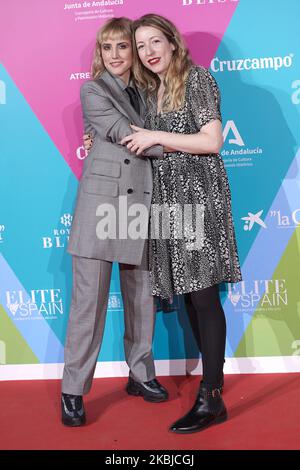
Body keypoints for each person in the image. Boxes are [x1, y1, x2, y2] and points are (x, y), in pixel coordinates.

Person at [119, 14, 242, 434]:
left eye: (156, 41)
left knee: (204, 297)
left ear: (173, 42)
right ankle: (210, 390)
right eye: (141, 46)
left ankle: (212, 397)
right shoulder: (147, 92)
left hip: (199, 197)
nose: (149, 51)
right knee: (190, 297)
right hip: (167, 203)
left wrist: (156, 137)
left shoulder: (196, 79)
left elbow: (212, 141)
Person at [61, 17, 168, 428]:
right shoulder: (92, 90)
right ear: (100, 54)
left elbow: (158, 129)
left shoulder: (152, 90)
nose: (117, 55)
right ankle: (73, 390)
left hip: (140, 204)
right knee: (88, 305)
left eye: (124, 47)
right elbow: (129, 135)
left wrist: (167, 135)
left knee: (141, 298)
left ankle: (141, 375)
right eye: (108, 48)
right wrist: (180, 144)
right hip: (101, 207)